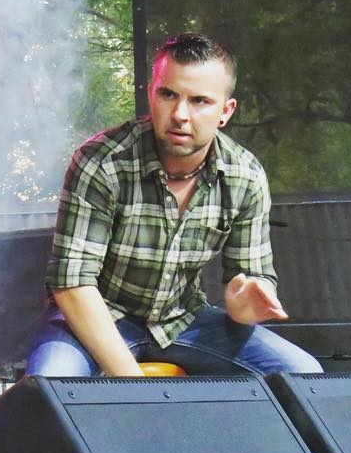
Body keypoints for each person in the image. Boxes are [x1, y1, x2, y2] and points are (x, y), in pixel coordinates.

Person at [26, 32, 322, 378]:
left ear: (225, 111)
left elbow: (249, 283)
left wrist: (246, 304)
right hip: (96, 316)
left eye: (200, 101)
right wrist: (134, 382)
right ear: (151, 94)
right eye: (169, 95)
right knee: (48, 387)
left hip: (184, 320)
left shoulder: (245, 176)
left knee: (303, 374)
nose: (181, 114)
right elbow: (72, 283)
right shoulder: (101, 162)